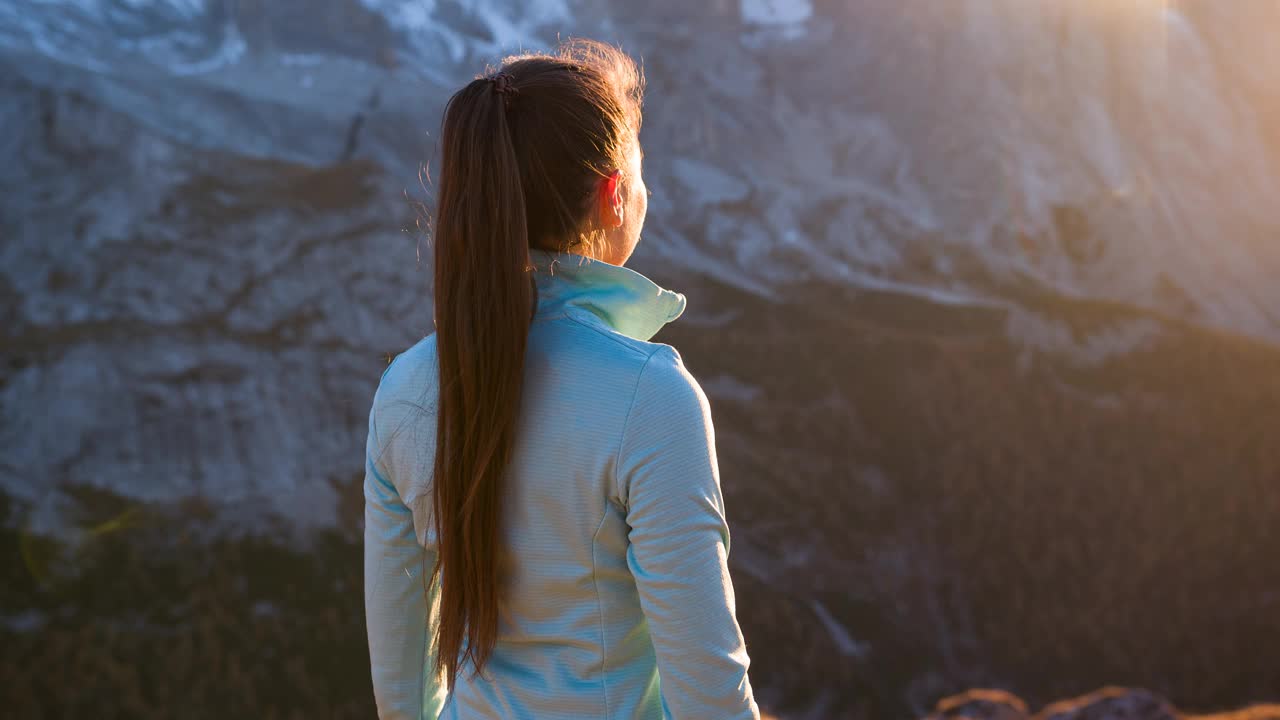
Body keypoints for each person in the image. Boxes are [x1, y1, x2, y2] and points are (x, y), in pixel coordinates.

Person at [363, 38, 760, 720]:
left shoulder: (404, 389)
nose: (648, 191)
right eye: (639, 174)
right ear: (613, 196)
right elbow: (710, 696)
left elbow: (403, 693)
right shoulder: (650, 396)